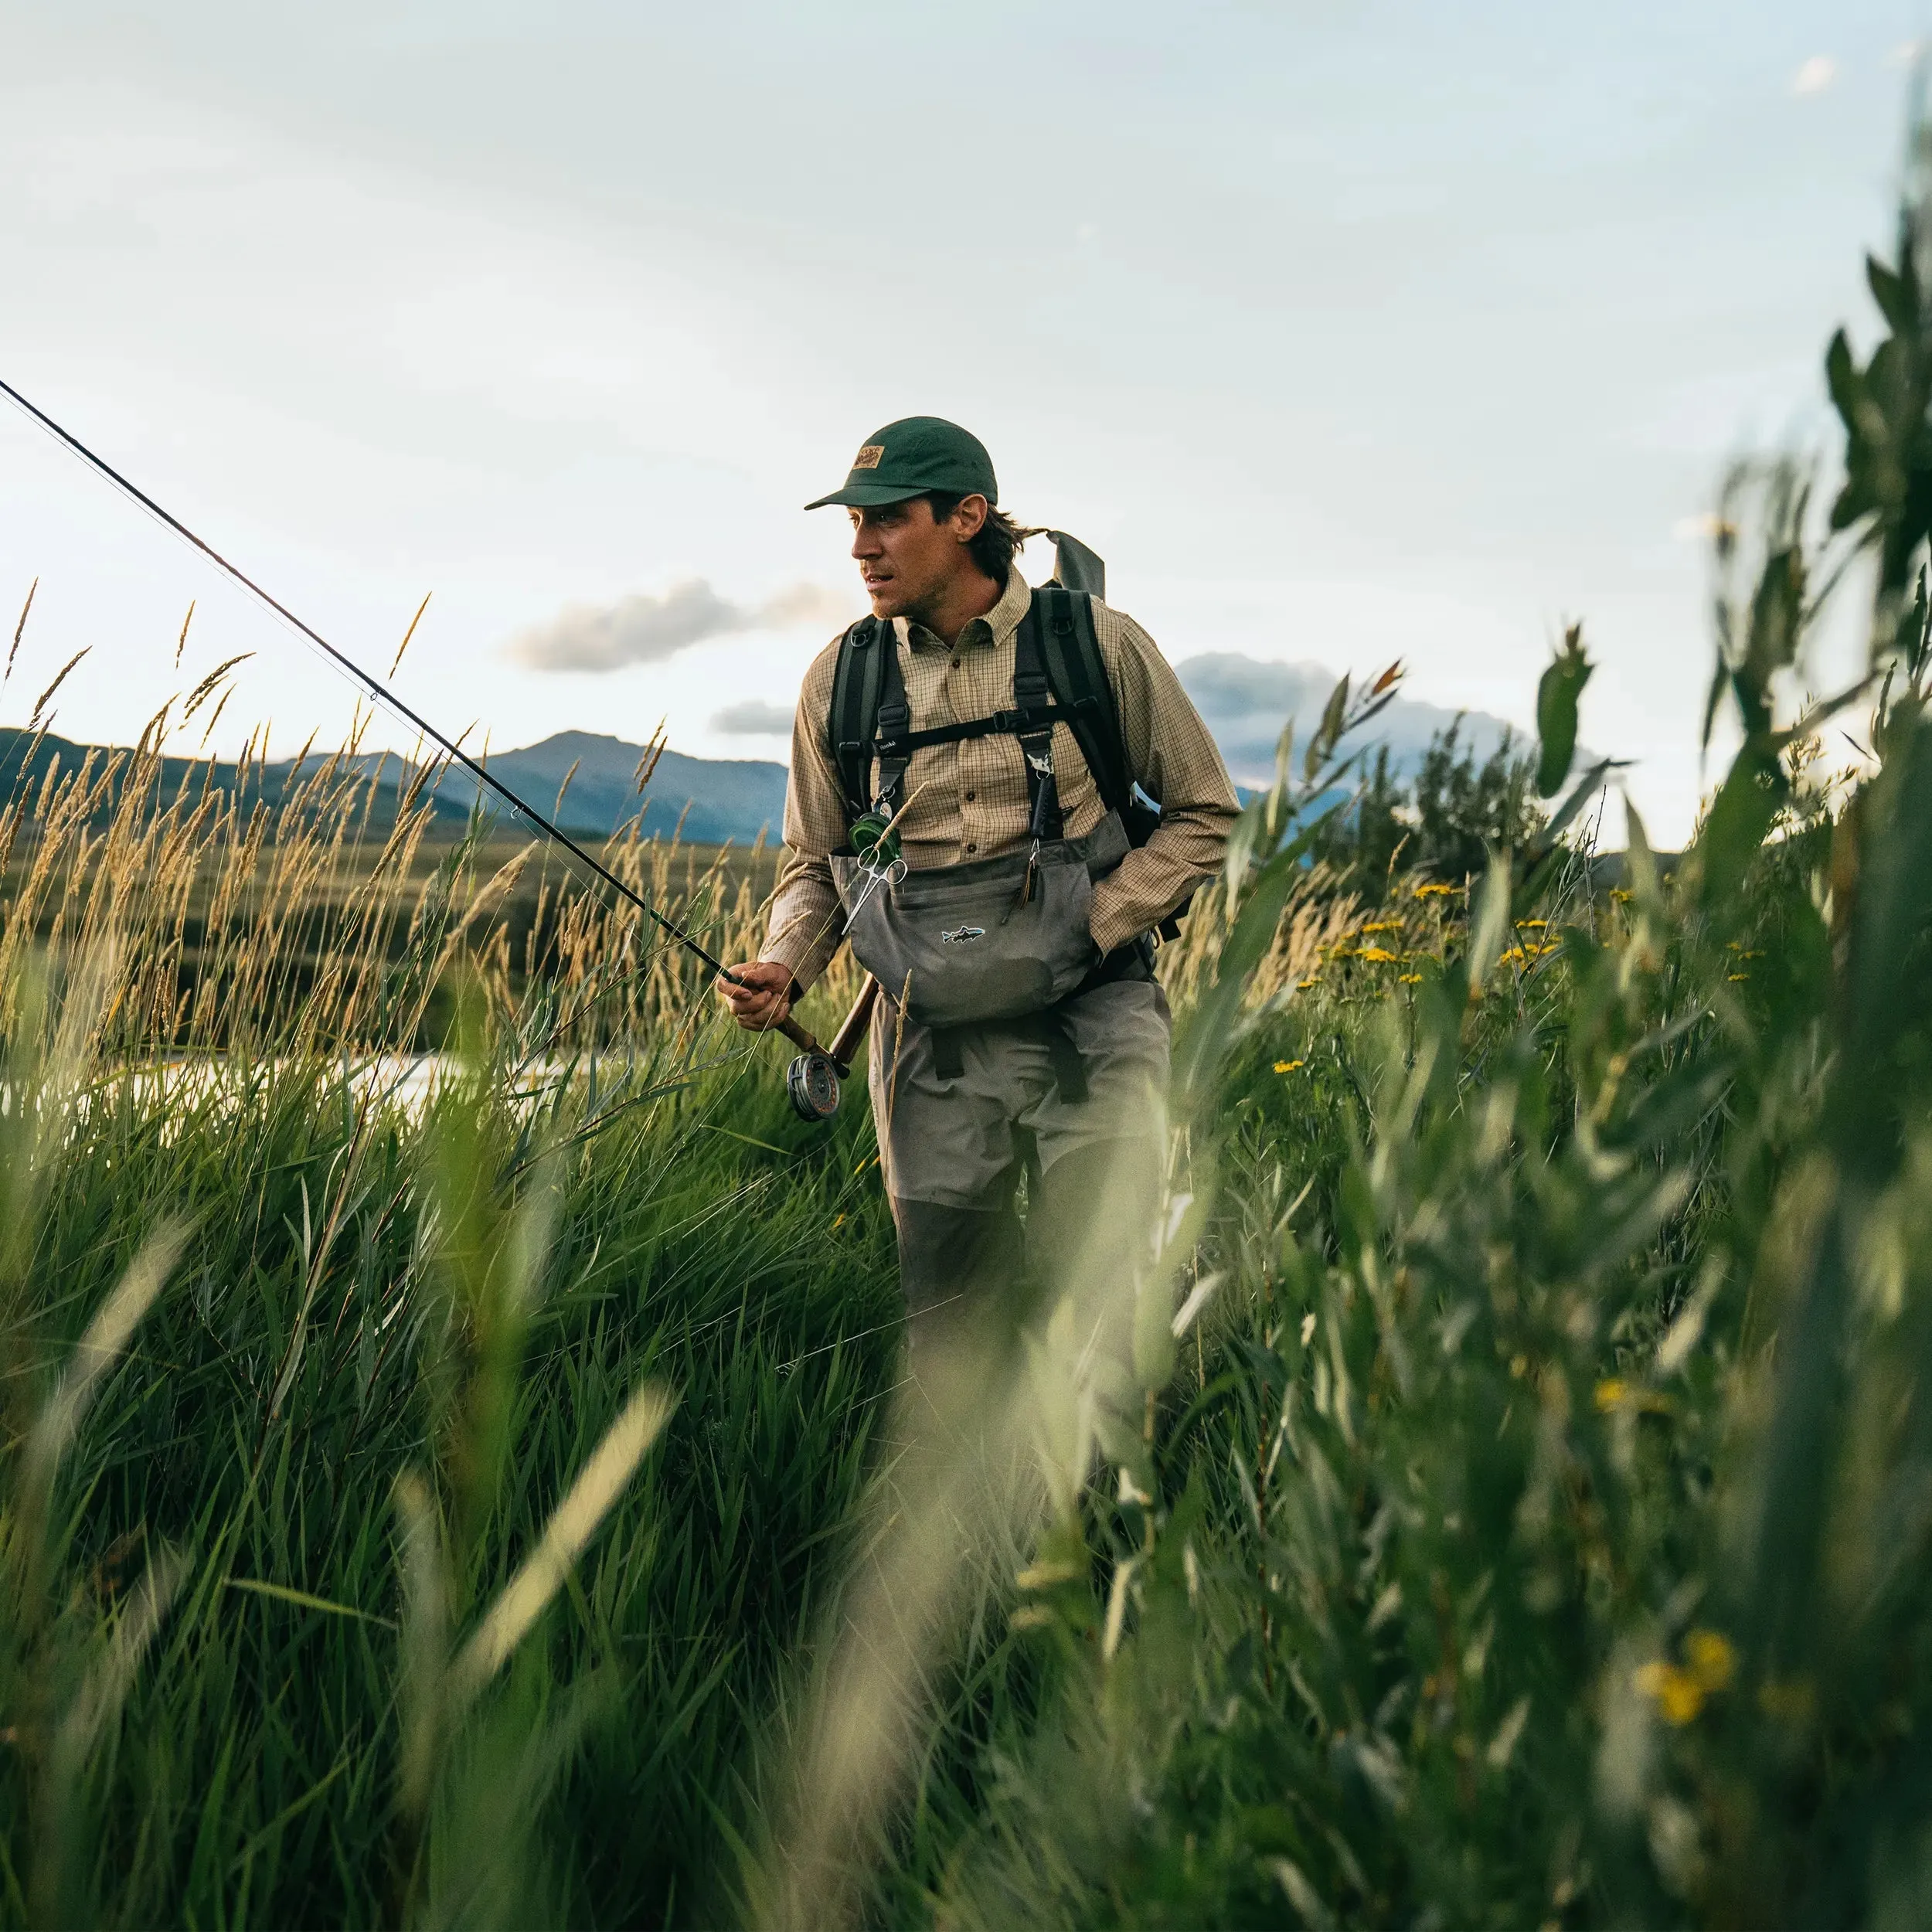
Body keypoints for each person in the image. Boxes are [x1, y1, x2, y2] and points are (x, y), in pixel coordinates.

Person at [718, 417, 1237, 1353]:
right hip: (930, 1040)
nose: (860, 547)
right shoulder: (838, 679)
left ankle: (1112, 1496)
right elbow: (814, 863)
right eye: (854, 523)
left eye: (887, 519)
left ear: (966, 518)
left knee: (1108, 1304)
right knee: (953, 1323)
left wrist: (1095, 920)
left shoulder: (1098, 646)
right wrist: (782, 967)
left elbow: (1206, 812)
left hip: (1093, 1015)